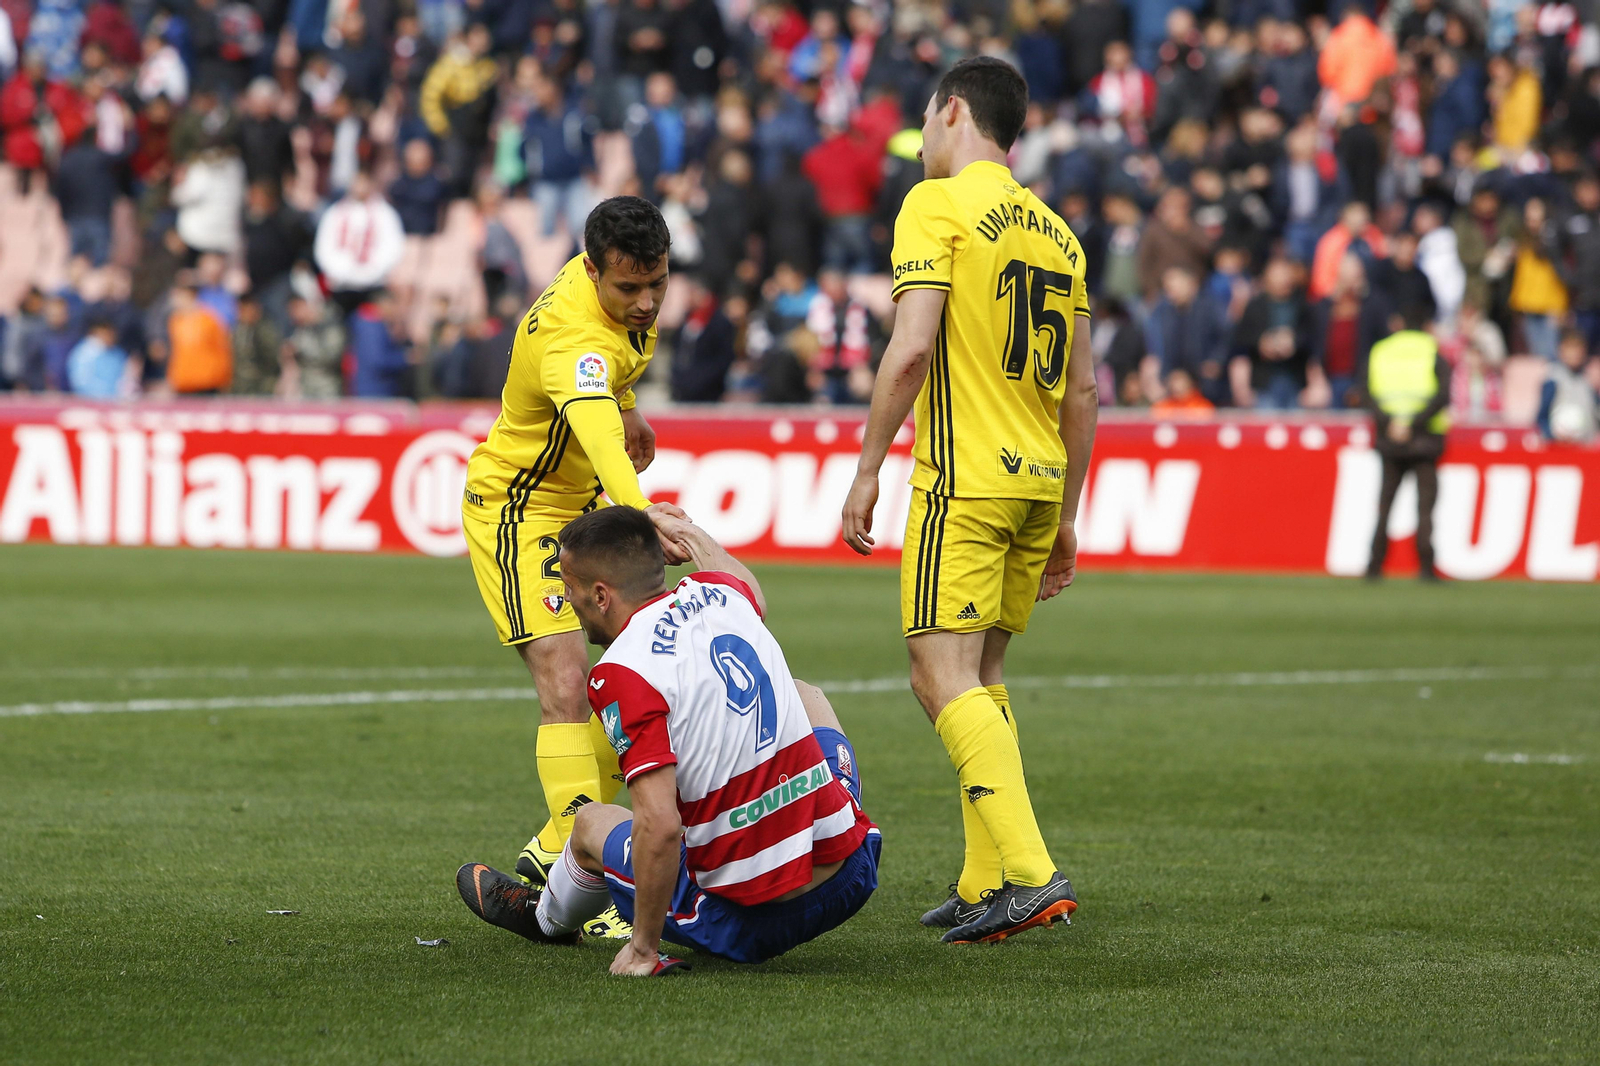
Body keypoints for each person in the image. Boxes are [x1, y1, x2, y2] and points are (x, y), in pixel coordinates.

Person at [841, 58, 1085, 944]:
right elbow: (1084, 390)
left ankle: (1032, 874)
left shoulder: (935, 206)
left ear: (951, 111)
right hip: (1037, 481)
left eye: (922, 123)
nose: (918, 143)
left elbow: (911, 348)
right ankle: (988, 880)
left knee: (936, 673)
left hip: (966, 477)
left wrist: (869, 467)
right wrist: (1067, 516)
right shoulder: (1059, 234)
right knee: (981, 677)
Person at [456, 507, 879, 975]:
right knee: (806, 695)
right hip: (851, 873)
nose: (567, 599)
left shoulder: (622, 671)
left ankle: (548, 919)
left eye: (569, 587)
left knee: (591, 823)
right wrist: (686, 533)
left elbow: (659, 825)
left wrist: (643, 948)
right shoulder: (722, 593)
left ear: (601, 595)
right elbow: (749, 587)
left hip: (749, 922)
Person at [460, 196, 688, 942]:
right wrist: (644, 516)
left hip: (579, 504)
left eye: (657, 282)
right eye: (629, 288)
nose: (646, 302)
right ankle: (591, 876)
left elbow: (608, 391)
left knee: (637, 674)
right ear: (592, 273)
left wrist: (630, 404)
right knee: (564, 681)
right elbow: (593, 430)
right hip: (520, 510)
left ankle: (555, 845)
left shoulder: (617, 296)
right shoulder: (570, 335)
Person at [1363, 309, 1453, 582]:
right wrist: (1413, 424)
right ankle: (1426, 567)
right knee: (1425, 507)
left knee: (1385, 505)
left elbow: (1366, 392)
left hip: (1390, 439)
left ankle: (1374, 566)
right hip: (1425, 440)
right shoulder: (1432, 350)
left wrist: (1392, 423)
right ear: (1426, 325)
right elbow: (1443, 394)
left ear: (1398, 323)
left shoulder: (1381, 350)